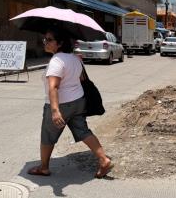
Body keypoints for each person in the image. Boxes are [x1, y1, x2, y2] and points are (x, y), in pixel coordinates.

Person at [27, 28, 113, 178]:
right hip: (78, 102)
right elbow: (81, 80)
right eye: (45, 39)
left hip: (61, 105)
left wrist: (55, 111)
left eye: (49, 40)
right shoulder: (75, 59)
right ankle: (104, 160)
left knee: (47, 135)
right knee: (83, 131)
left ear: (59, 43)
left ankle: (44, 167)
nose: (45, 42)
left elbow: (54, 87)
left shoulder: (56, 61)